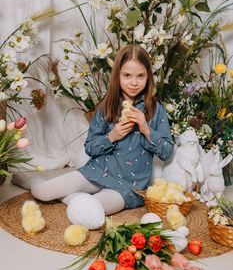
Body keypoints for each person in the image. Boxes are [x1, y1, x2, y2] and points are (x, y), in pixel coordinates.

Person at [30, 45, 173, 221]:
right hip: (97, 171)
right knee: (42, 191)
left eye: (140, 76)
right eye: (127, 75)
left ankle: (76, 200)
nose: (134, 82)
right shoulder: (107, 106)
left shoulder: (156, 109)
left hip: (128, 186)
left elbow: (166, 152)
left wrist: (145, 128)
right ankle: (30, 182)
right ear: (118, 75)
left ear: (148, 76)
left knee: (91, 208)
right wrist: (112, 136)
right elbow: (90, 148)